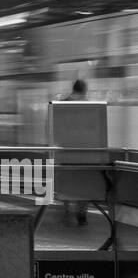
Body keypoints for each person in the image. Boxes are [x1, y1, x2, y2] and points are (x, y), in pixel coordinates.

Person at [62, 79, 89, 225]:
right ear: (84, 90)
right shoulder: (88, 105)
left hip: (65, 150)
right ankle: (81, 213)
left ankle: (67, 211)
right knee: (83, 184)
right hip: (84, 150)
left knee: (67, 182)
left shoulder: (62, 103)